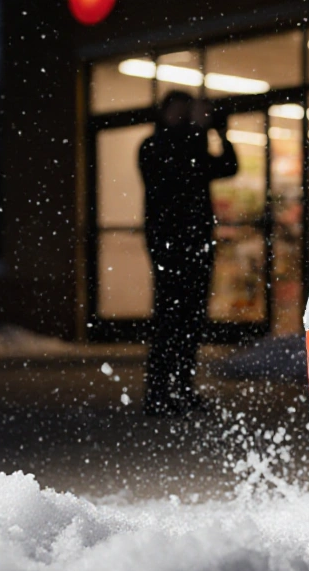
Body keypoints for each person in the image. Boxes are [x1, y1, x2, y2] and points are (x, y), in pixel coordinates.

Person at [139, 91, 238, 417]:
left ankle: (182, 388)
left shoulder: (191, 143)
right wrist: (199, 130)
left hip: (197, 242)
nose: (183, 118)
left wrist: (219, 131)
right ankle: (157, 392)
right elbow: (180, 169)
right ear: (164, 113)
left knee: (192, 320)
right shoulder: (152, 147)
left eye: (186, 112)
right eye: (178, 112)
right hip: (169, 244)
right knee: (169, 318)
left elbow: (228, 166)